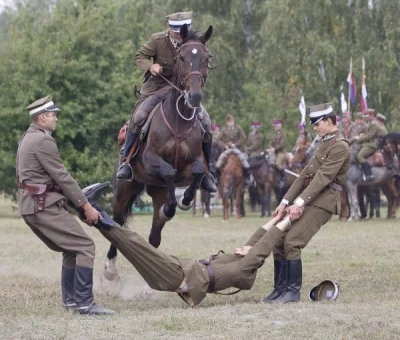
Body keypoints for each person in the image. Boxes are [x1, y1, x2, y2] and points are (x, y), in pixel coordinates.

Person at [81, 183, 292, 307]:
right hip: (179, 269)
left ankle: (93, 208)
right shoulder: (242, 258)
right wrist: (279, 215)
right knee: (130, 245)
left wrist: (288, 222)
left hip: (179, 277)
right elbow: (260, 235)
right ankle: (93, 212)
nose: (241, 247)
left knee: (133, 243)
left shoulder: (246, 269)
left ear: (253, 256)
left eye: (247, 249)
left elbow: (266, 242)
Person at [16, 96, 115, 315]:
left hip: (33, 205)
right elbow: (63, 177)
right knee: (85, 246)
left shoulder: (29, 137)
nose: (56, 118)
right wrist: (86, 206)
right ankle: (85, 304)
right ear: (42, 118)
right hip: (42, 206)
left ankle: (71, 302)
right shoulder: (43, 140)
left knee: (72, 248)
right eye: (53, 115)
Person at [116, 11, 216, 193]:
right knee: (138, 117)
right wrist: (150, 66)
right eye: (176, 31)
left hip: (182, 92)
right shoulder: (157, 40)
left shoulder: (191, 42)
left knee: (207, 124)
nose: (179, 35)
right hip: (156, 89)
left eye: (182, 31)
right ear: (169, 28)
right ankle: (127, 162)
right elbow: (139, 56)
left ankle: (207, 172)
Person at [263, 103, 351, 303]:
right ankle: (280, 289)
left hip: (324, 201)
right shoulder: (324, 142)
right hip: (309, 197)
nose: (315, 128)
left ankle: (292, 293)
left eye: (318, 123)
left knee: (292, 241)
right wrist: (286, 201)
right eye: (314, 124)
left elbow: (322, 178)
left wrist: (299, 202)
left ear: (330, 121)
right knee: (278, 239)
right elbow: (305, 176)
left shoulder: (340, 146)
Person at [215, 114, 250, 184]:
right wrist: (224, 145)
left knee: (245, 163)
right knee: (218, 164)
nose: (230, 123)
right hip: (227, 149)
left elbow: (243, 137)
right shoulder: (224, 129)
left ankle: (246, 178)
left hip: (237, 149)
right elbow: (218, 140)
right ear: (226, 122)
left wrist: (236, 144)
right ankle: (217, 179)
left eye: (231, 121)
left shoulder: (238, 128)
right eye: (228, 122)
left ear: (233, 121)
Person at [354, 109, 381, 181]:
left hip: (372, 144)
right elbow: (364, 132)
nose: (365, 117)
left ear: (371, 115)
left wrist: (359, 139)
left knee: (360, 156)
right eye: (364, 116)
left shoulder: (374, 124)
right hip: (366, 143)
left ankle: (369, 174)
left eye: (366, 116)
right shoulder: (369, 123)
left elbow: (370, 136)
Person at [270, 119, 287, 188]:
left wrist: (274, 148)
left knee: (278, 163)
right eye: (274, 126)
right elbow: (271, 143)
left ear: (280, 126)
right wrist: (270, 148)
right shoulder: (274, 135)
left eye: (276, 126)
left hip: (281, 153)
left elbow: (282, 144)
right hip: (274, 153)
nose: (275, 127)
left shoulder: (283, 134)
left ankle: (283, 178)